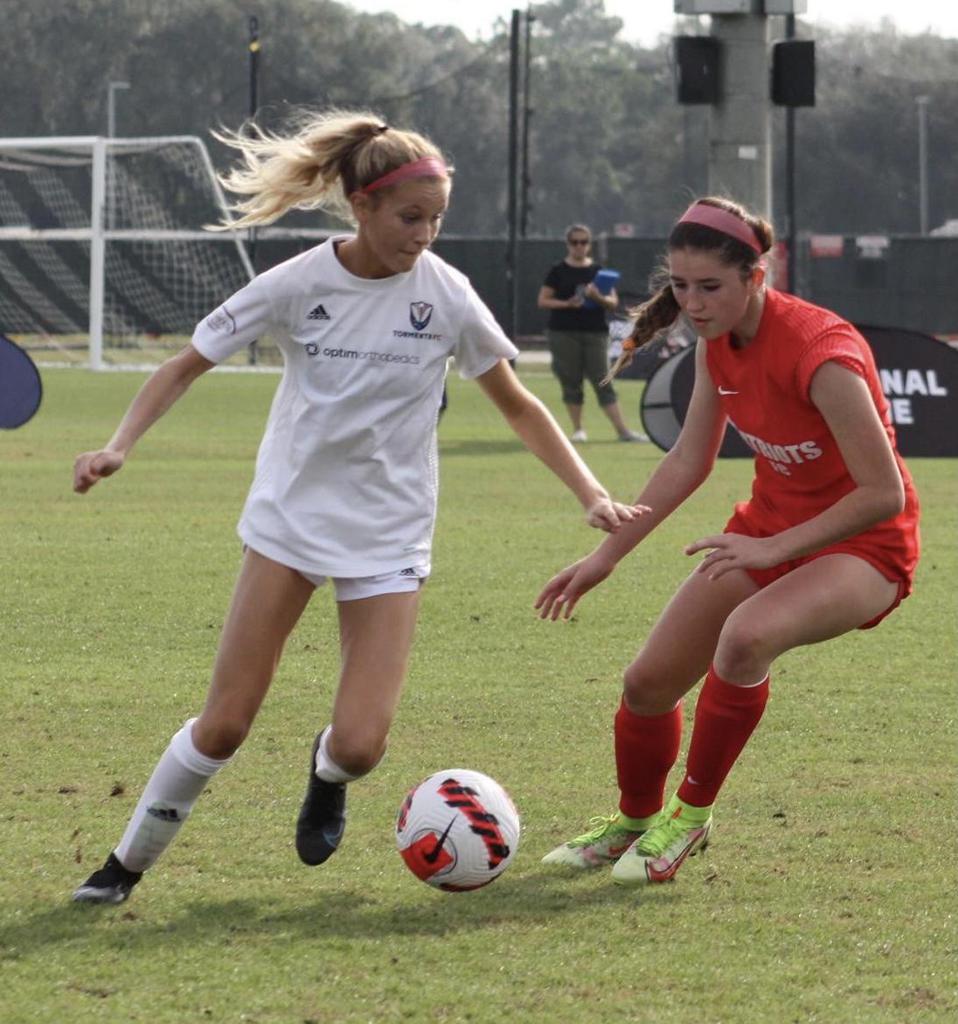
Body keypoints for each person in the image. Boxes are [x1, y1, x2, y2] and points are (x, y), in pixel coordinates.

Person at [70, 109, 645, 905]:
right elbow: (183, 364)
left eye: (437, 220)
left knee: (364, 745)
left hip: (389, 534)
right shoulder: (300, 282)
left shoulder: (447, 295)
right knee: (226, 725)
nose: (424, 235)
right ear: (361, 207)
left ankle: (326, 771)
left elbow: (518, 404)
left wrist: (590, 492)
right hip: (288, 524)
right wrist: (119, 444)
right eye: (410, 217)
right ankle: (122, 866)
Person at [536, 196, 920, 886]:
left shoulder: (820, 352)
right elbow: (689, 460)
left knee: (744, 638)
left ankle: (690, 817)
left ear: (757, 274)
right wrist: (607, 555)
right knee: (647, 683)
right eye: (681, 287)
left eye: (709, 287)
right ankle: (633, 822)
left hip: (866, 548)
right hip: (766, 535)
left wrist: (775, 550)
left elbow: (881, 494)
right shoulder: (716, 344)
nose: (693, 303)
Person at [537, 224, 647, 444]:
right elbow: (543, 300)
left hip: (595, 332)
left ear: (589, 245)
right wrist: (567, 303)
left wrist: (596, 296)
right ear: (568, 244)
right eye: (575, 242)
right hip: (563, 332)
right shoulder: (557, 270)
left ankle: (623, 431)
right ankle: (578, 430)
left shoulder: (597, 271)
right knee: (571, 381)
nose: (579, 246)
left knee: (603, 379)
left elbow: (613, 302)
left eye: (584, 242)